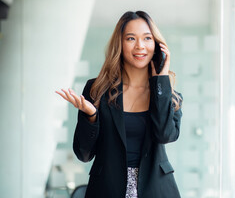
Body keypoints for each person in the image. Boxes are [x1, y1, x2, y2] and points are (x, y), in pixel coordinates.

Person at [56, 11, 183, 198]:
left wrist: (161, 80)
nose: (140, 46)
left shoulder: (168, 95)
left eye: (147, 38)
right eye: (131, 38)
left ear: (156, 45)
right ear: (120, 44)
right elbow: (84, 154)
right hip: (107, 189)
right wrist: (91, 116)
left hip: (157, 190)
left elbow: (165, 135)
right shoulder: (97, 89)